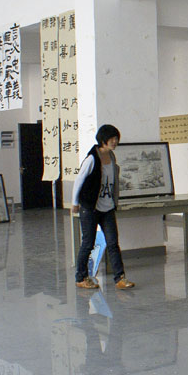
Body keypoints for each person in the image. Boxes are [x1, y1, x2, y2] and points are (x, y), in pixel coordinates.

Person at [72, 124, 135, 290]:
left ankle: (120, 278)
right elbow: (79, 180)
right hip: (90, 208)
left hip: (108, 208)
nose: (115, 142)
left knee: (113, 243)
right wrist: (74, 203)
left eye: (116, 139)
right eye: (112, 139)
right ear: (103, 140)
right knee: (88, 243)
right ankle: (81, 277)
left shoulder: (112, 157)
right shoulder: (92, 158)